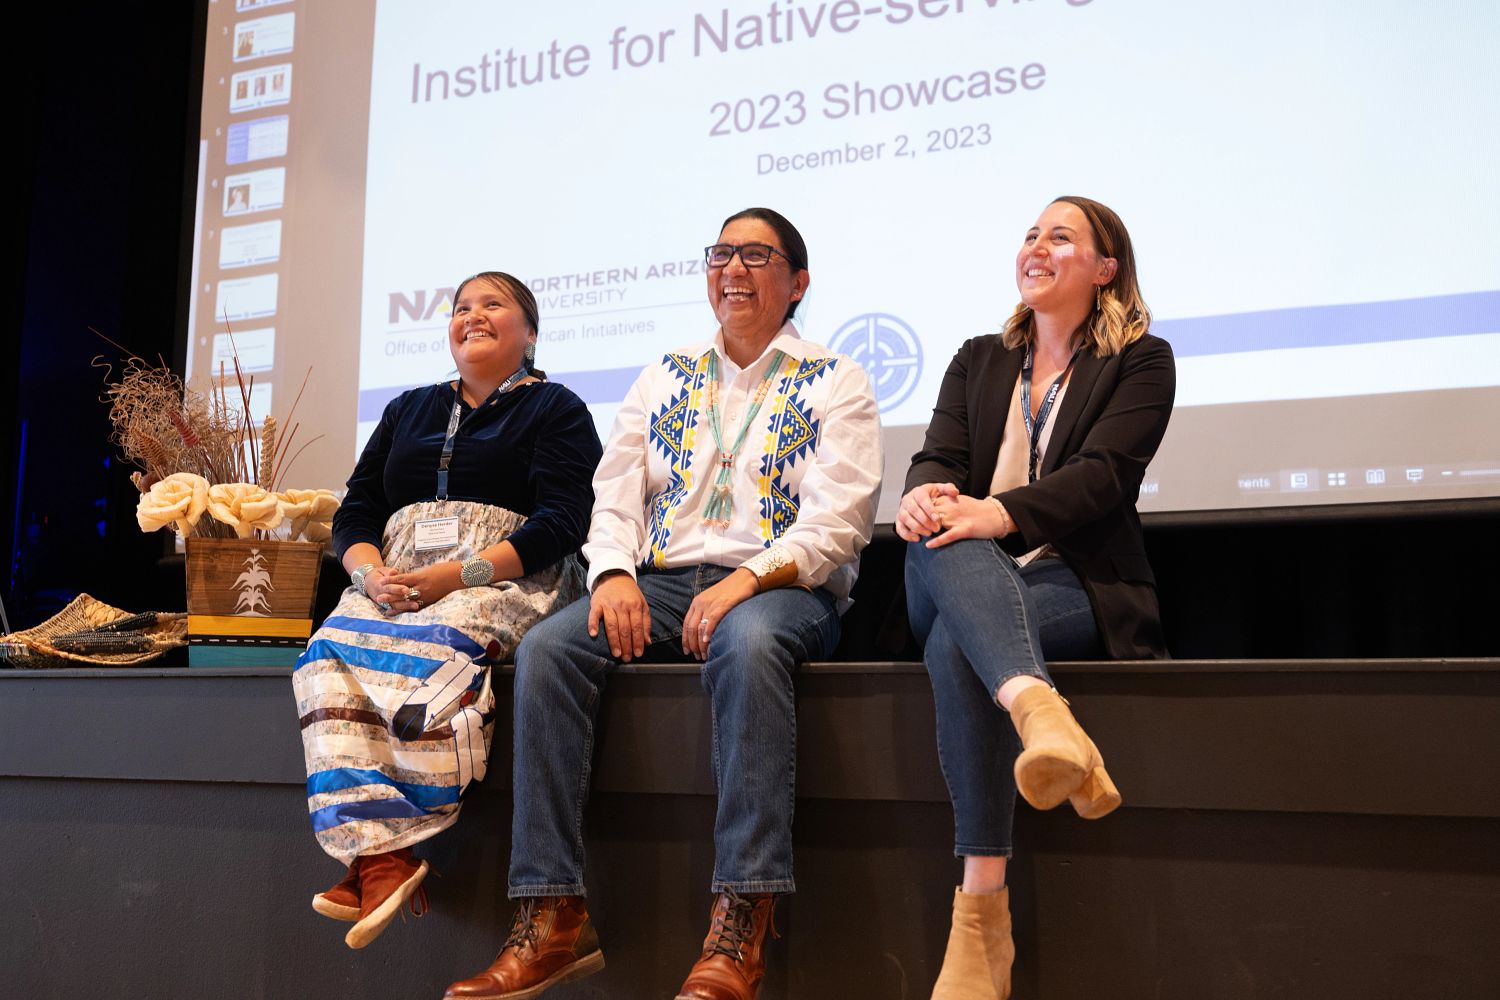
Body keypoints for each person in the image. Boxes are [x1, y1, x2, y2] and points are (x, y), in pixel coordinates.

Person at [442, 208, 882, 1000]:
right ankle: (550, 910)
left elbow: (838, 524)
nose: (733, 269)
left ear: (799, 282)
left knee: (747, 646)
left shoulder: (836, 378)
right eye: (722, 254)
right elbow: (613, 493)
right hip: (663, 578)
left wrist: (747, 581)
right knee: (547, 649)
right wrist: (611, 574)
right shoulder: (667, 372)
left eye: (756, 254)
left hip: (781, 583)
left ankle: (741, 916)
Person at [897, 196, 1175, 999]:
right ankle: (1038, 711)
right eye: (1030, 235)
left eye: (1062, 237)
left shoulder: (1142, 361)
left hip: (1077, 579)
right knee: (936, 535)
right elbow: (936, 454)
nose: (1038, 247)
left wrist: (1000, 512)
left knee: (958, 644)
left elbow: (1104, 478)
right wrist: (923, 496)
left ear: (1106, 268)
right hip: (957, 568)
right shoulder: (979, 356)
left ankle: (981, 916)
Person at [292, 271, 602, 950]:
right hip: (393, 581)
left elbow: (565, 521)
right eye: (461, 307)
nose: (472, 315)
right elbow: (357, 511)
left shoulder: (557, 409)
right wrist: (370, 575)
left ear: (530, 331)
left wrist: (453, 575)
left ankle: (378, 852)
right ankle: (383, 856)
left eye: (493, 304)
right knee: (320, 660)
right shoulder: (408, 409)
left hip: (504, 580)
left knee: (428, 653)